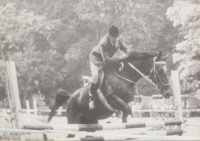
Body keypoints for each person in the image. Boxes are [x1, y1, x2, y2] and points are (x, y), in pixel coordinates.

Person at [89, 25, 129, 109]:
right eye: (114, 38)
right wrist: (120, 58)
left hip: (107, 59)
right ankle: (91, 98)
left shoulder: (118, 39)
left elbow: (126, 49)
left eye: (117, 38)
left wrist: (127, 54)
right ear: (110, 36)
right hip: (96, 60)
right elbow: (106, 61)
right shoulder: (103, 43)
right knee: (95, 76)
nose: (116, 41)